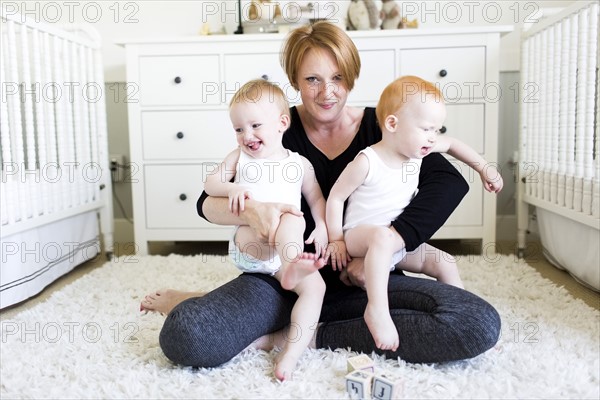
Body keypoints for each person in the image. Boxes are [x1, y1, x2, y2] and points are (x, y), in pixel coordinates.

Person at [141, 21, 501, 373]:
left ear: (351, 76)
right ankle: (231, 308)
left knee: (475, 322)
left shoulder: (385, 126)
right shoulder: (273, 127)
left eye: (337, 78)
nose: (327, 91)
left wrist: (391, 240)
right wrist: (251, 211)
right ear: (295, 81)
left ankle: (303, 335)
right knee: (187, 335)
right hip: (286, 281)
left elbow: (449, 182)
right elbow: (206, 203)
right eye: (312, 79)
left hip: (365, 278)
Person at [325, 75, 504, 351]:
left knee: (444, 261)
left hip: (394, 242)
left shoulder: (419, 153)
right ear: (393, 124)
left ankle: (463, 310)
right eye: (426, 129)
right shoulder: (367, 160)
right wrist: (337, 240)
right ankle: (377, 310)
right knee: (383, 239)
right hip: (360, 238)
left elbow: (454, 144)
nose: (433, 137)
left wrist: (484, 168)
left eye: (436, 129)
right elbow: (336, 198)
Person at [203, 79, 328, 380]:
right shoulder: (239, 158)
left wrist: (323, 225)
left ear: (282, 123)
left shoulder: (299, 164)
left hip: (282, 253)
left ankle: (291, 354)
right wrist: (232, 188)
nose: (247, 135)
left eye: (255, 125)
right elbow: (209, 184)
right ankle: (292, 266)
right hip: (251, 245)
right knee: (282, 220)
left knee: (316, 287)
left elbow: (316, 199)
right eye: (238, 129)